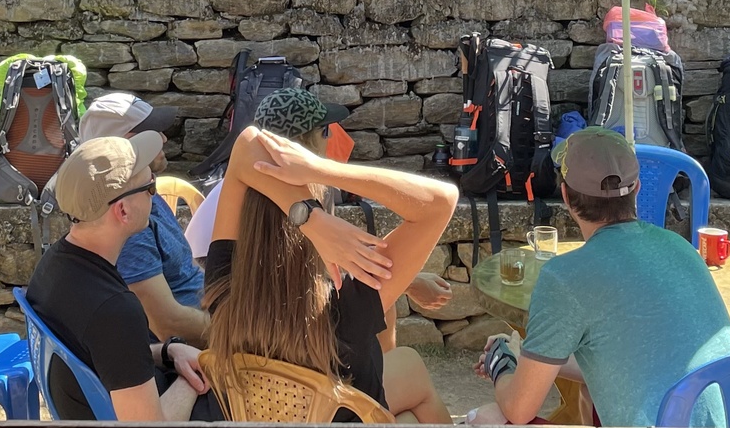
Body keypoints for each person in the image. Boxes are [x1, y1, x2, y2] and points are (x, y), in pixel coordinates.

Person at [203, 90, 459, 423]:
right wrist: (321, 172)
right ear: (310, 148)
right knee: (410, 396)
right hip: (341, 412)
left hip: (258, 412)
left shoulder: (223, 280)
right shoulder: (344, 309)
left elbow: (246, 144)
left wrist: (310, 219)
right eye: (326, 132)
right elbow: (442, 200)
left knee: (407, 376)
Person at [468, 127, 730, 427]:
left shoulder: (565, 278)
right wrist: (525, 356)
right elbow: (619, 360)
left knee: (487, 419)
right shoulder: (681, 247)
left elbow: (519, 410)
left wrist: (502, 365)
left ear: (566, 196)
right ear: (637, 189)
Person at [24, 133, 217, 421]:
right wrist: (193, 379)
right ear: (123, 210)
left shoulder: (53, 266)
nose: (154, 195)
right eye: (150, 188)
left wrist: (168, 352)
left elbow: (109, 355)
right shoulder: (115, 310)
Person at [77, 93, 207, 344]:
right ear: (127, 145)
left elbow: (187, 269)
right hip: (196, 345)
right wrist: (240, 334)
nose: (164, 138)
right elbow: (168, 325)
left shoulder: (144, 190)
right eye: (153, 132)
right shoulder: (128, 222)